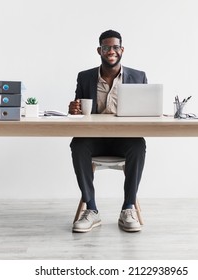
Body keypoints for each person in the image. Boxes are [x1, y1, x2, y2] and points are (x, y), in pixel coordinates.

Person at [69, 30, 147, 233]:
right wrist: (74, 110)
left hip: (124, 139)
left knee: (138, 144)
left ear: (122, 50)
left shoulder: (138, 77)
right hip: (95, 138)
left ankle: (128, 208)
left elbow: (145, 112)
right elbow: (79, 111)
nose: (110, 51)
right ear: (99, 50)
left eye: (115, 47)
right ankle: (91, 209)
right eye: (106, 48)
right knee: (78, 144)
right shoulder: (85, 77)